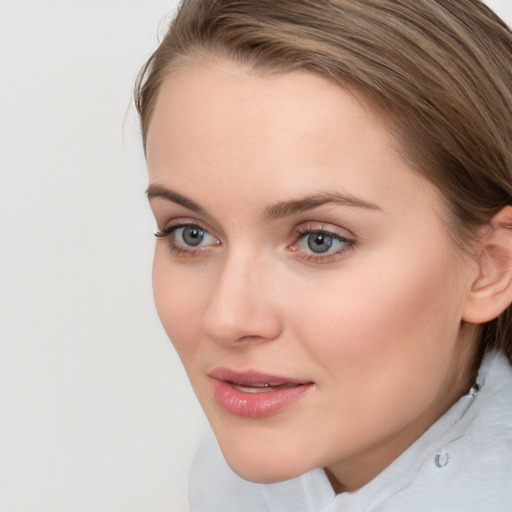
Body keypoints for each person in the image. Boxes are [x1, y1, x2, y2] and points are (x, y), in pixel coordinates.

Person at [135, 0, 512, 510]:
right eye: (191, 234)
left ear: (491, 267)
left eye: (320, 240)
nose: (226, 319)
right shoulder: (234, 479)